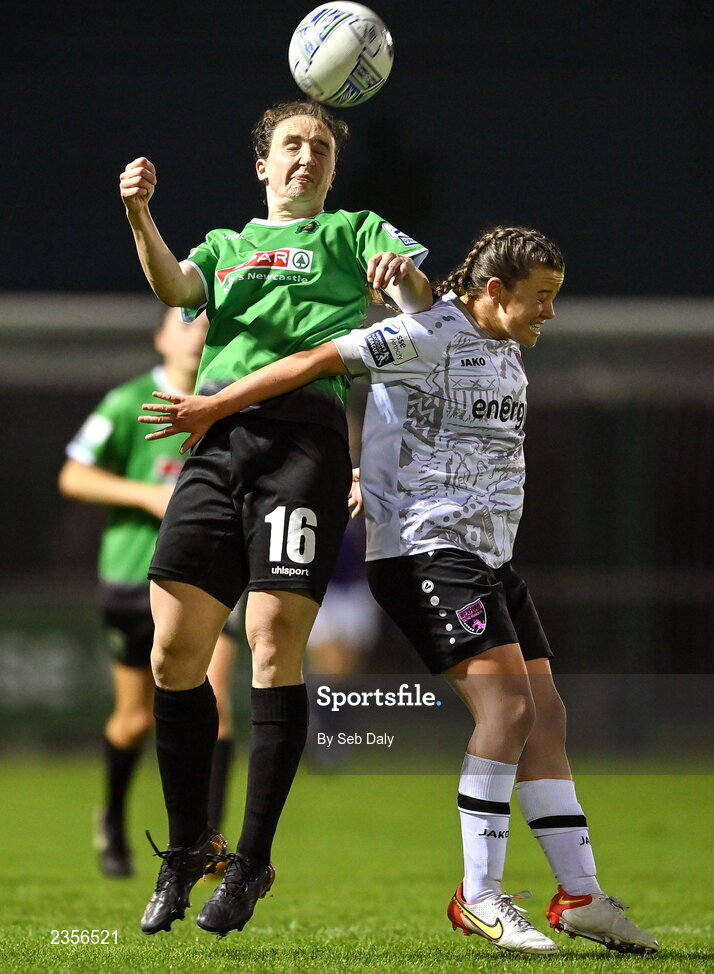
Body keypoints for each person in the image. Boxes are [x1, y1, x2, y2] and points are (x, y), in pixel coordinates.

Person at [139, 226, 659, 956]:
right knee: (506, 709)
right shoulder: (422, 333)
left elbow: (425, 423)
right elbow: (320, 359)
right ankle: (478, 897)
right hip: (429, 555)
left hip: (488, 557)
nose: (549, 312)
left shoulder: (504, 345)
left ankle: (579, 894)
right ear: (495, 292)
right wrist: (215, 407)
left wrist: (370, 476)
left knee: (545, 715)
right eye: (540, 298)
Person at [119, 99, 432, 936]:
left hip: (306, 444)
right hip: (215, 442)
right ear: (263, 165)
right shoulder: (225, 247)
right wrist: (139, 214)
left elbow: (420, 295)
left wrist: (398, 278)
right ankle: (190, 848)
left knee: (269, 642)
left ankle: (251, 863)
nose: (307, 157)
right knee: (173, 653)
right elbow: (174, 287)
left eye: (321, 147)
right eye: (292, 144)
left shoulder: (355, 229)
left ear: (332, 169)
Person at [58, 307, 237, 878]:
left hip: (209, 581)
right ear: (161, 336)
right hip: (133, 580)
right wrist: (144, 494)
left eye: (209, 327)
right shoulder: (127, 401)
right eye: (186, 324)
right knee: (134, 719)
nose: (197, 336)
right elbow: (73, 474)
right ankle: (111, 819)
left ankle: (206, 847)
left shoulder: (230, 403)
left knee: (220, 711)